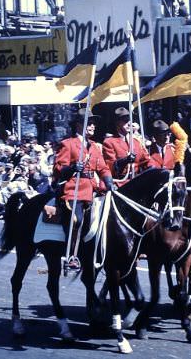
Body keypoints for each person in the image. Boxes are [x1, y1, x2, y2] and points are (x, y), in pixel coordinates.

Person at [54, 109, 114, 269]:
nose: (93, 126)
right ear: (79, 125)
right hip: (74, 191)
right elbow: (59, 169)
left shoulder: (94, 147)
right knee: (77, 220)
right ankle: (71, 256)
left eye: (94, 123)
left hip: (92, 190)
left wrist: (109, 181)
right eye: (90, 122)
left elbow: (103, 168)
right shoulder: (68, 144)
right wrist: (73, 167)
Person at [102, 107, 151, 188]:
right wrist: (125, 160)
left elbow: (147, 161)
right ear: (117, 123)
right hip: (120, 184)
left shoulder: (136, 141)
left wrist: (154, 169)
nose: (129, 123)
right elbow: (110, 167)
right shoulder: (109, 142)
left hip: (137, 182)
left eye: (130, 120)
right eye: (125, 121)